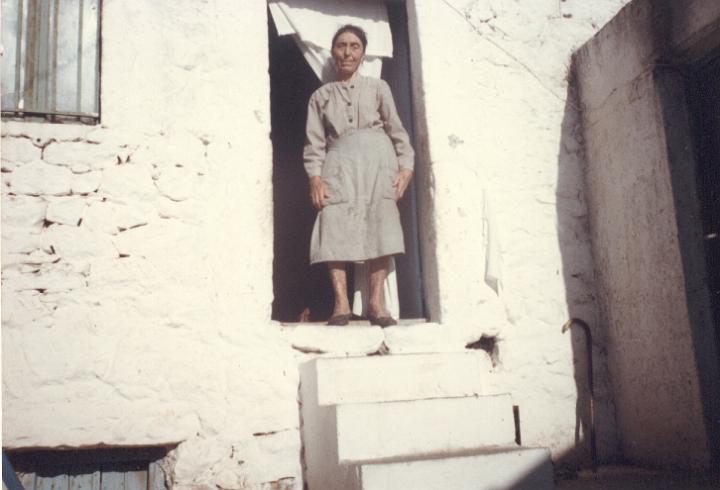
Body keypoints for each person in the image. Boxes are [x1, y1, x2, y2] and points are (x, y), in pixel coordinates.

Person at [303, 24, 415, 327]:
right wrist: (315, 177)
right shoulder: (320, 96)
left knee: (381, 223)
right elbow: (313, 143)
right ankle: (340, 304)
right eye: (341, 45)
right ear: (333, 52)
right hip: (339, 165)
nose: (348, 52)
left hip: (379, 163)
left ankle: (376, 304)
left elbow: (398, 132)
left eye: (354, 46)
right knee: (334, 222)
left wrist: (406, 167)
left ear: (363, 53)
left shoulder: (379, 89)